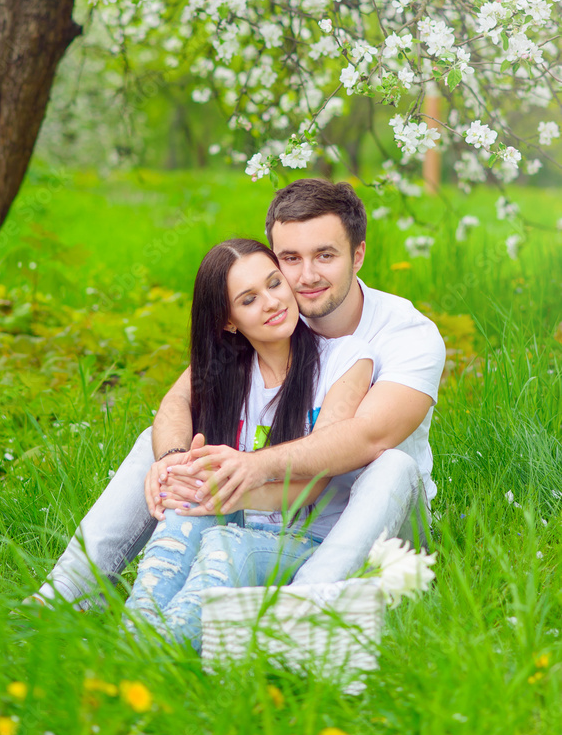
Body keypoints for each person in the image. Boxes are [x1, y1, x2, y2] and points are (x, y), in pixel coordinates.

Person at [29, 179, 445, 610]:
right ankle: (66, 592)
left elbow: (367, 439)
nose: (306, 276)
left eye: (325, 255)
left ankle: (305, 606)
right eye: (290, 258)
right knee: (156, 449)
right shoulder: (272, 318)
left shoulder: (407, 334)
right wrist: (174, 462)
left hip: (378, 526)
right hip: (272, 517)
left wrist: (252, 467)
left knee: (392, 465)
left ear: (357, 255)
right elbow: (178, 401)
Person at [121, 237, 373, 649]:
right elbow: (174, 402)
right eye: (249, 299)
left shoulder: (346, 359)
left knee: (219, 538)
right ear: (229, 321)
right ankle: (134, 640)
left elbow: (311, 483)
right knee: (182, 515)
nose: (273, 302)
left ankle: (153, 656)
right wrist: (172, 465)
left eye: (275, 284)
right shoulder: (227, 367)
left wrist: (222, 496)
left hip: (307, 542)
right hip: (234, 523)